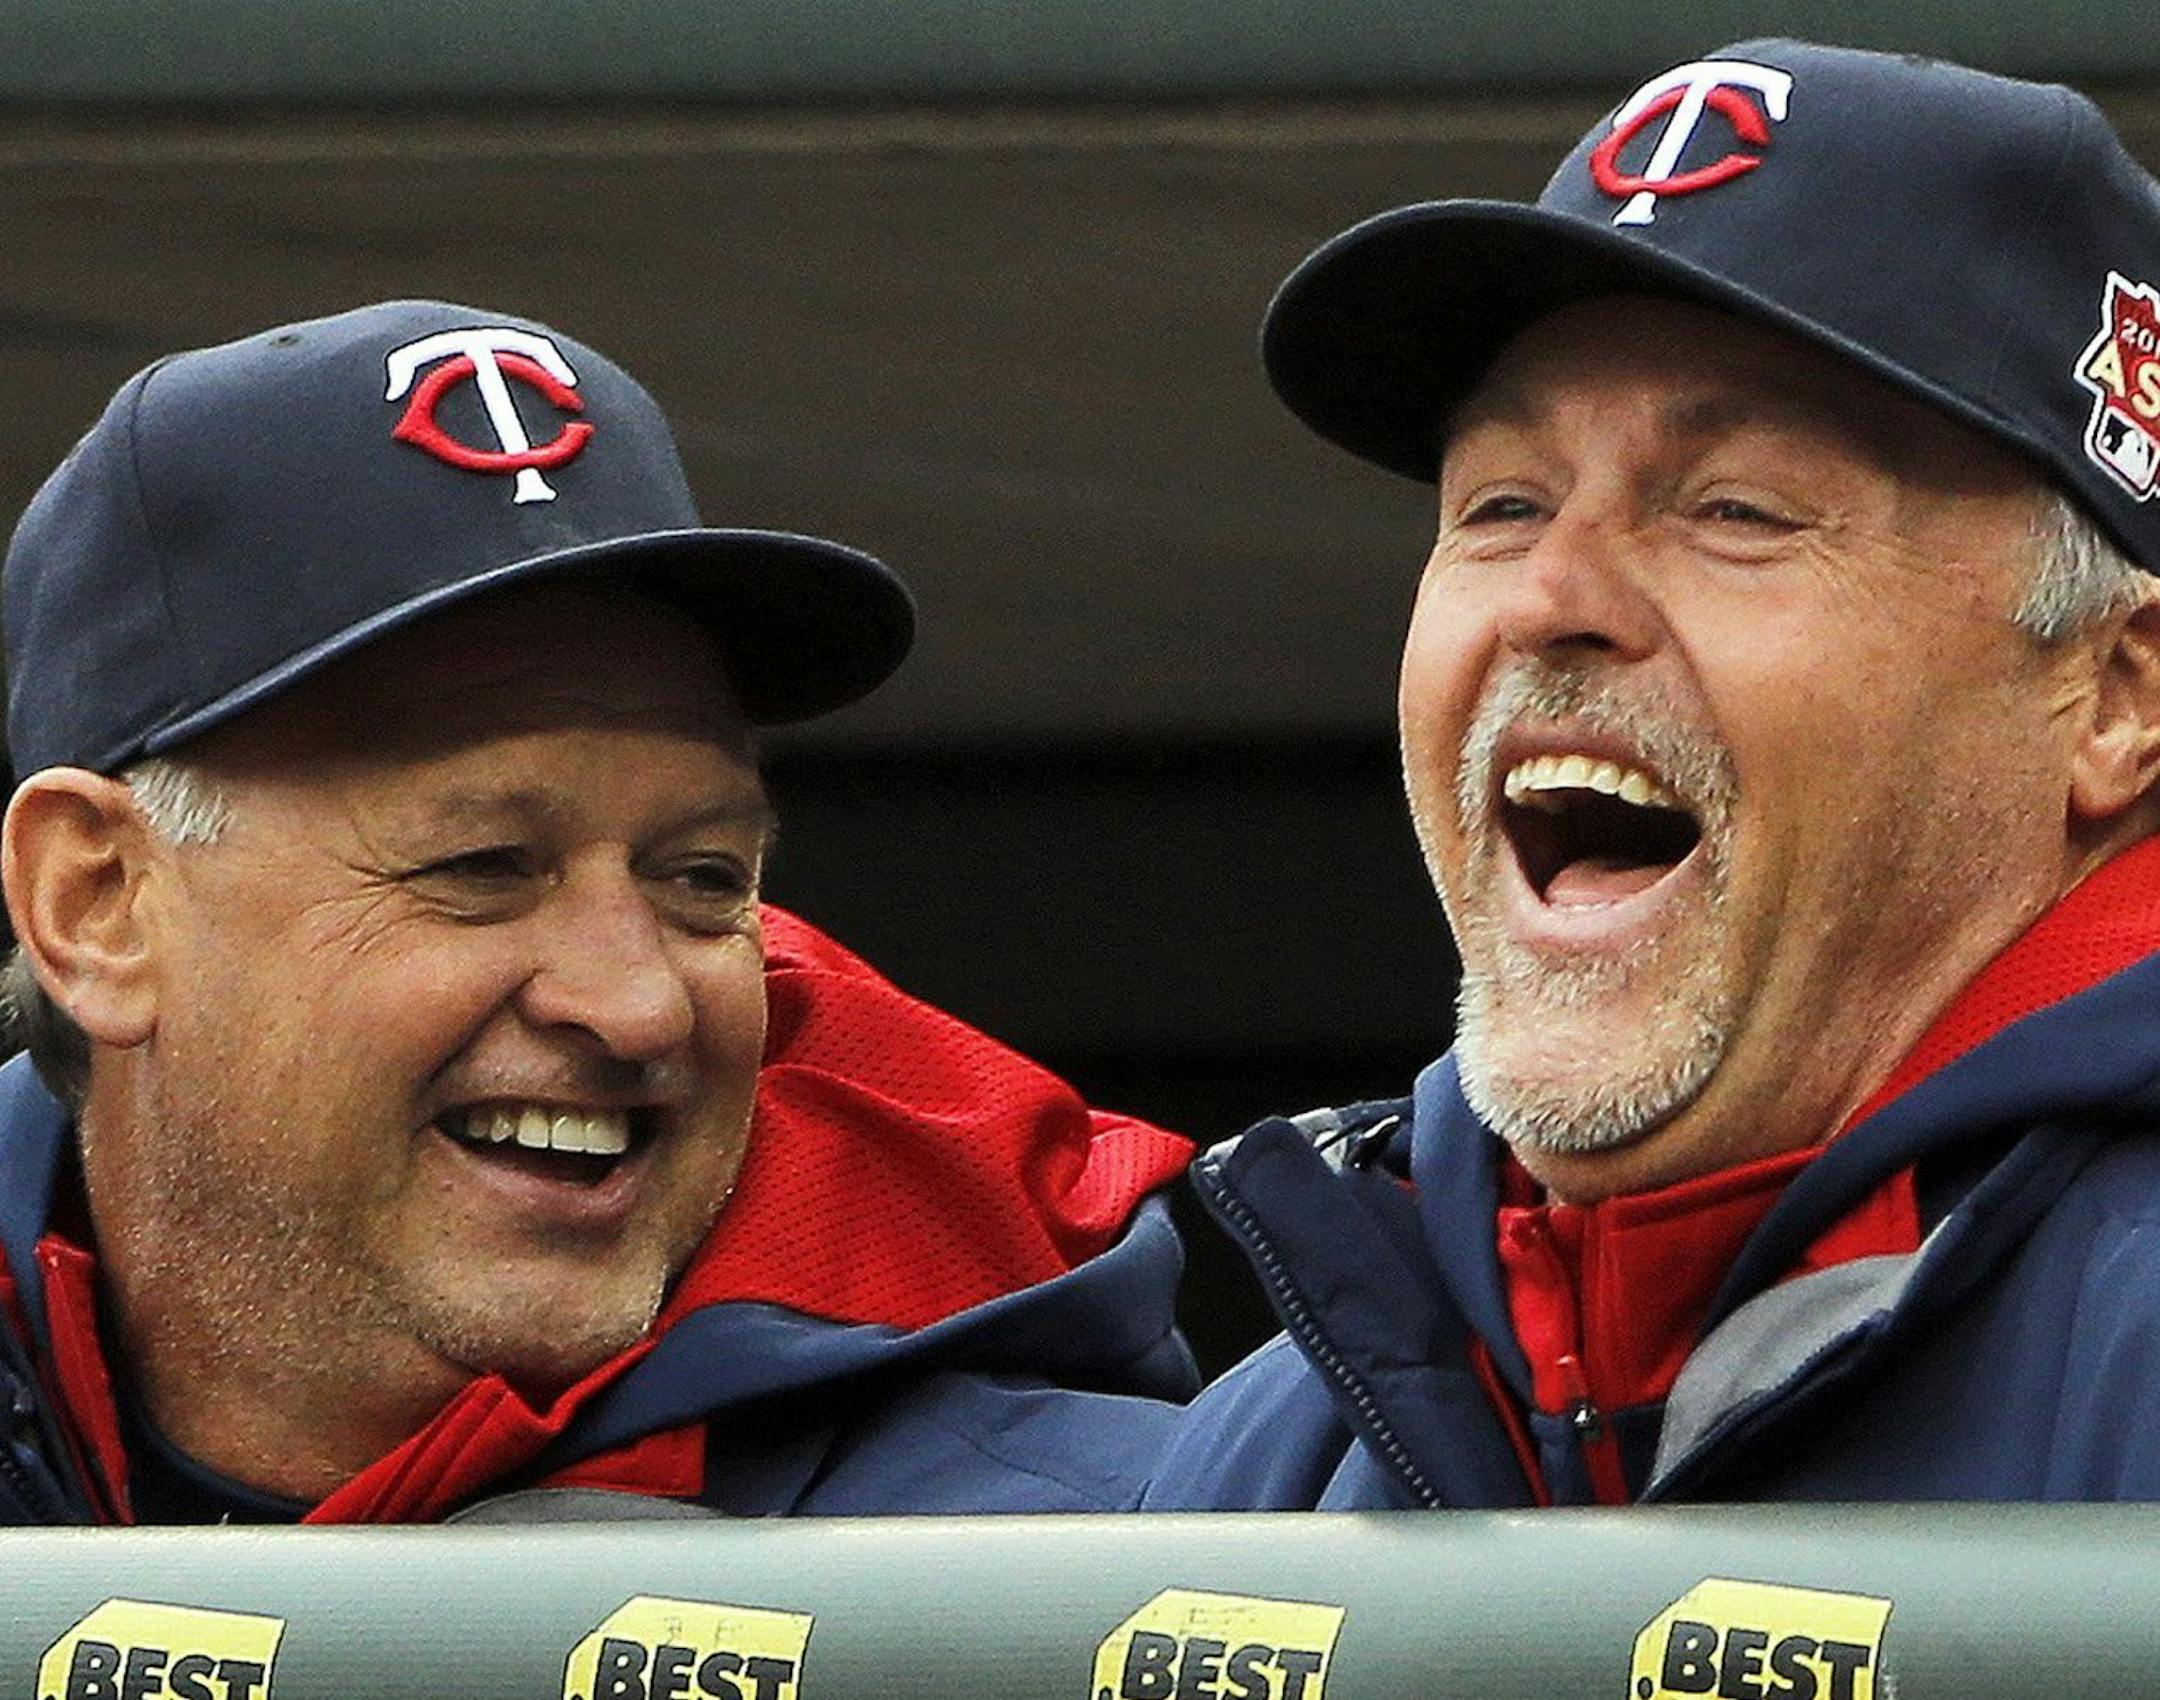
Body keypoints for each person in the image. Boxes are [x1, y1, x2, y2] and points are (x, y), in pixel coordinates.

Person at [1144, 39, 2160, 1508]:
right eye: (1501, 504)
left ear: (2114, 699)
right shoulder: (1291, 1439)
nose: (1553, 596)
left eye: (1737, 510)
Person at [0, 298, 1196, 1523]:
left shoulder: (1093, 1572)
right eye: (483, 863)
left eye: (704, 878)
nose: (635, 1004)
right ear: (96, 903)